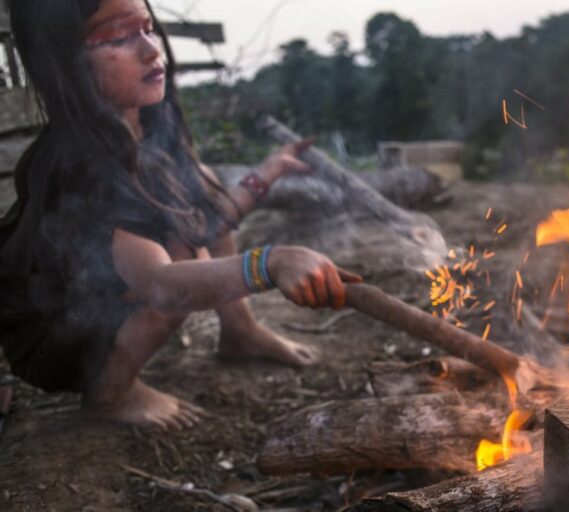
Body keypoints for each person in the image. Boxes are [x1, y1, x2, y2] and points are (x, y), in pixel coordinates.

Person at [0, 0, 362, 431]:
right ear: (65, 66)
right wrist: (269, 263)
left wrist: (268, 172)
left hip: (99, 307)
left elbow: (210, 219)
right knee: (189, 259)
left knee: (195, 200)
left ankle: (239, 330)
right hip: (55, 341)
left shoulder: (147, 128)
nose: (152, 50)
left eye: (149, 28)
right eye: (118, 36)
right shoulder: (83, 163)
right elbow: (161, 286)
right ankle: (110, 395)